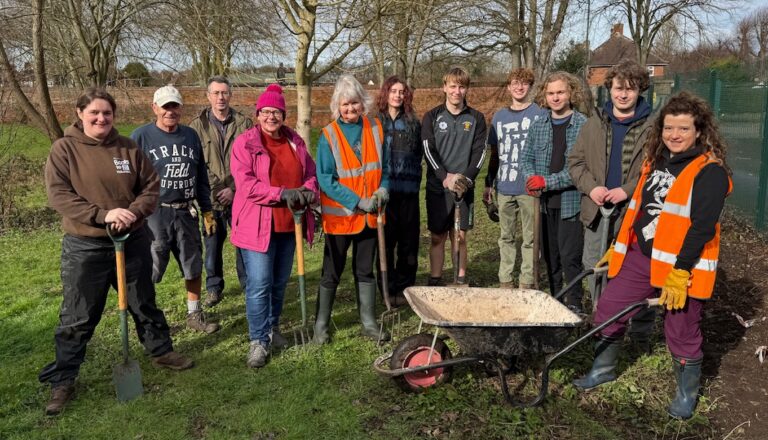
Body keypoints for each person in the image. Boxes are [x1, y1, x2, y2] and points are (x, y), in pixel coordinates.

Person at [573, 92, 731, 420]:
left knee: (681, 331)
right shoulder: (656, 160)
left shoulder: (709, 172)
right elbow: (640, 210)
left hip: (684, 267)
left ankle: (686, 395)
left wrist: (679, 271)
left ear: (699, 131)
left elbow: (701, 228)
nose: (674, 134)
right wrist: (618, 245)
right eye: (669, 128)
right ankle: (603, 370)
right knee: (609, 309)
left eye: (683, 129)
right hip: (642, 256)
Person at [40, 88, 193, 416]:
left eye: (107, 113)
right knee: (78, 314)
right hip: (86, 245)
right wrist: (104, 215)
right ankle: (64, 378)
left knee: (144, 301)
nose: (101, 118)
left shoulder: (128, 147)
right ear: (80, 113)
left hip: (132, 240)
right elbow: (59, 195)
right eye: (94, 113)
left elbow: (151, 186)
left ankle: (161, 350)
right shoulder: (64, 149)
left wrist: (133, 212)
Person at [568, 59, 656, 342]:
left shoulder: (653, 126)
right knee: (595, 263)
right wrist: (592, 188)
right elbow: (576, 163)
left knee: (639, 269)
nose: (623, 94)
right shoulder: (594, 124)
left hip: (636, 211)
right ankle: (602, 320)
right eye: (618, 88)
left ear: (640, 89)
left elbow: (657, 168)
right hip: (597, 209)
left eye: (630, 89)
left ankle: (640, 329)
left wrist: (628, 191)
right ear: (610, 88)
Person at [230, 84, 318, 367]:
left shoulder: (296, 141)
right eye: (266, 112)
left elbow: (311, 173)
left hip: (288, 225)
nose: (271, 117)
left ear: (284, 114)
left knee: (279, 283)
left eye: (276, 112)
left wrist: (306, 190)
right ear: (258, 114)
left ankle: (273, 329)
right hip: (256, 226)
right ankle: (258, 341)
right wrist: (281, 194)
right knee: (259, 285)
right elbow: (246, 186)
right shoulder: (245, 143)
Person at [131, 85, 219, 334]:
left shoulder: (190, 136)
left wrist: (207, 210)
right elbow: (129, 178)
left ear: (181, 108)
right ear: (155, 108)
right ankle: (148, 319)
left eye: (175, 106)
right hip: (155, 212)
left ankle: (194, 313)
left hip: (185, 211)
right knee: (151, 266)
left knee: (193, 264)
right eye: (165, 106)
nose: (170, 111)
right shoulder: (141, 136)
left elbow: (201, 175)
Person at [314, 74, 390, 343]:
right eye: (345, 105)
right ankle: (321, 326)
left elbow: (385, 167)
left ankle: (368, 322)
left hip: (370, 218)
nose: (350, 109)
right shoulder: (329, 135)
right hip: (341, 218)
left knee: (364, 270)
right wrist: (357, 201)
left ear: (363, 102)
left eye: (355, 103)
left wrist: (383, 189)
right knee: (331, 273)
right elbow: (325, 178)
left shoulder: (376, 128)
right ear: (337, 105)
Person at [520, 71, 587, 311]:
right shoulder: (539, 124)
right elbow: (526, 158)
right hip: (544, 205)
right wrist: (530, 179)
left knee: (570, 256)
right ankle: (556, 301)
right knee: (550, 257)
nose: (555, 97)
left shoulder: (583, 125)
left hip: (571, 203)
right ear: (544, 96)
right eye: (551, 93)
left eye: (560, 92)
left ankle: (575, 303)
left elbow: (579, 169)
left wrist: (546, 182)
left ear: (570, 93)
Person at [189, 76, 253, 308]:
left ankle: (248, 285)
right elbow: (195, 163)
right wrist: (217, 190)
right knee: (212, 243)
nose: (220, 97)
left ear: (230, 95)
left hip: (240, 198)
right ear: (208, 96)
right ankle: (214, 288)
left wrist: (233, 189)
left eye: (224, 93)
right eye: (216, 93)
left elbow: (251, 161)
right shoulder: (196, 126)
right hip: (208, 201)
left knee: (243, 243)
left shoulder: (245, 124)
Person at [422, 67, 487, 286]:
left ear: (466, 89)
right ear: (444, 87)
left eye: (461, 86)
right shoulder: (432, 116)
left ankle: (460, 280)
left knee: (459, 236)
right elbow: (428, 150)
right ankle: (436, 279)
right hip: (438, 188)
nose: (456, 91)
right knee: (437, 236)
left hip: (463, 188)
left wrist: (465, 179)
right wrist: (444, 177)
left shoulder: (476, 118)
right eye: (452, 86)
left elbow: (480, 153)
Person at [484, 68, 546, 289]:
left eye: (524, 83)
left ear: (530, 87)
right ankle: (505, 279)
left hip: (529, 187)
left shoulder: (539, 114)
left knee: (530, 238)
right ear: (509, 86)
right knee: (506, 236)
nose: (519, 87)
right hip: (504, 185)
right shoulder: (499, 117)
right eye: (515, 83)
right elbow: (494, 154)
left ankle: (527, 280)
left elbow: (544, 150)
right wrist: (488, 183)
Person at [375, 76, 422, 306]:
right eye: (393, 91)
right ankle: (386, 289)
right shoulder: (375, 122)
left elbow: (420, 154)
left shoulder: (413, 122)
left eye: (402, 91)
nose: (398, 95)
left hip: (409, 192)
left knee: (409, 244)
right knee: (385, 244)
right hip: (384, 194)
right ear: (386, 93)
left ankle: (405, 290)